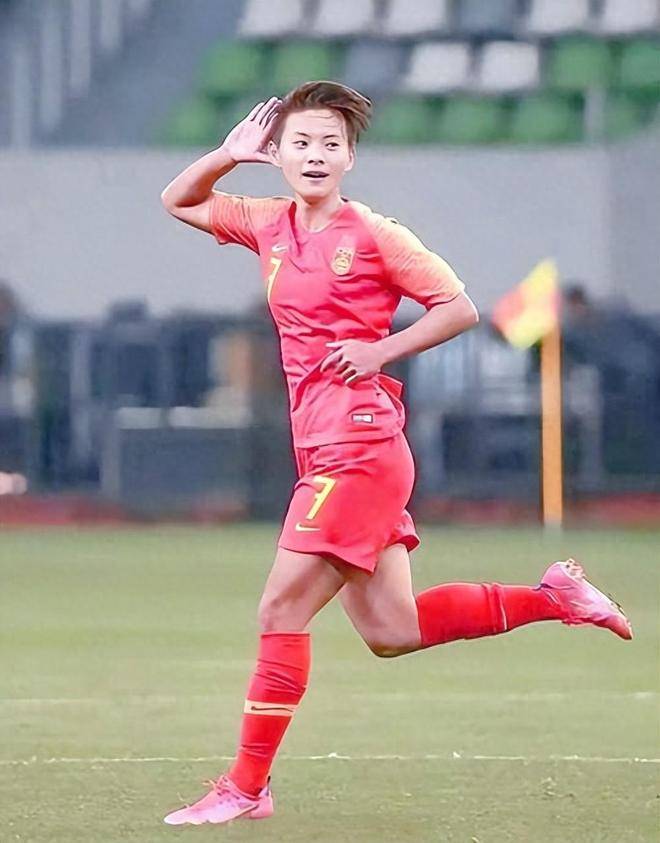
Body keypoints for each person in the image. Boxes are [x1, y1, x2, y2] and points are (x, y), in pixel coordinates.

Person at [160, 82, 632, 826]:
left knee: (281, 606)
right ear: (278, 153)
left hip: (359, 448)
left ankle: (246, 787)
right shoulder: (267, 222)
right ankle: (555, 597)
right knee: (392, 630)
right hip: (325, 447)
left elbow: (459, 307)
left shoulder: (376, 234)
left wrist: (381, 349)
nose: (316, 155)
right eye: (301, 142)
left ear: (350, 157)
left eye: (331, 143)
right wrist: (227, 154)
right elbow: (179, 201)